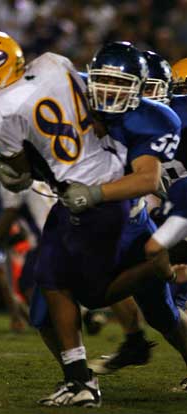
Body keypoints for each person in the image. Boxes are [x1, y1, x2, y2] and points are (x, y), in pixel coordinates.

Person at [0, 33, 177, 407]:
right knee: (49, 287)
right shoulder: (52, 62)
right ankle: (80, 379)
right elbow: (90, 111)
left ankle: (154, 271)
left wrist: (12, 169)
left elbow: (20, 173)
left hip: (92, 198)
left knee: (79, 291)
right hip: (100, 181)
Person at [88, 50, 187, 391]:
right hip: (161, 212)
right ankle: (133, 339)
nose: (146, 98)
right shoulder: (128, 120)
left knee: (171, 298)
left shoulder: (172, 118)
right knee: (128, 275)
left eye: (152, 89)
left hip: (178, 215)